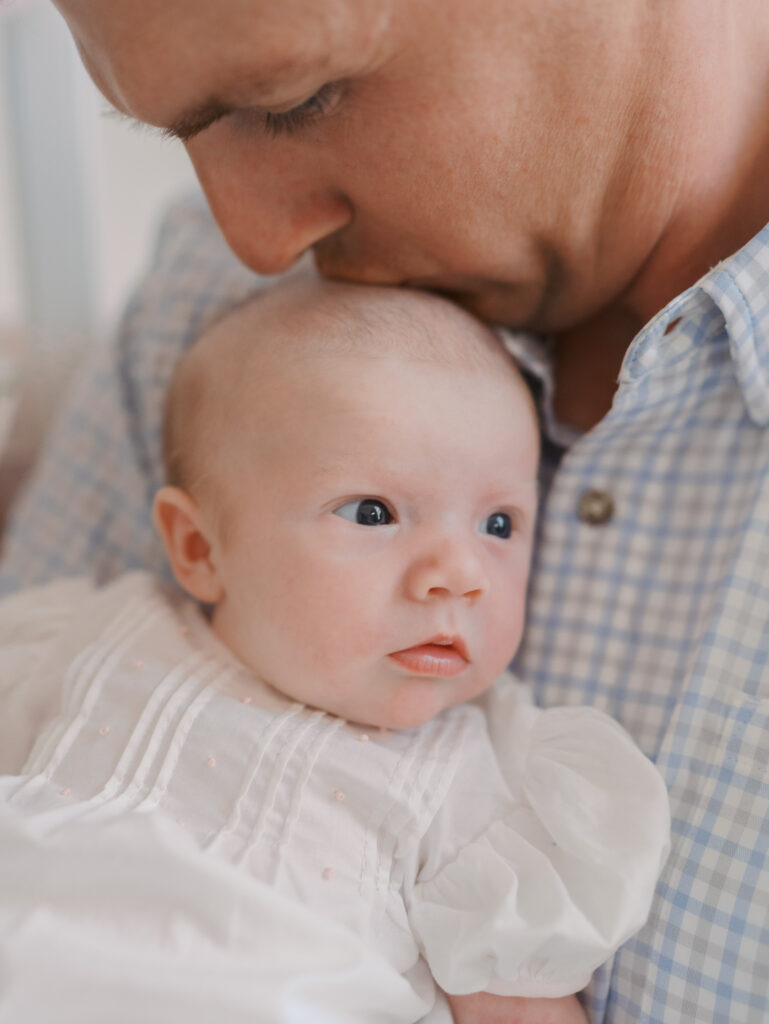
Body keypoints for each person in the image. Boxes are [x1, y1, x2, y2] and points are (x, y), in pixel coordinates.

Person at [1, 1, 768, 1020]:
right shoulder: (219, 318)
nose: (255, 241)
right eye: (182, 135)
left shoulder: (485, 801)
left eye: (293, 100)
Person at [0, 279, 669, 1024]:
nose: (460, 575)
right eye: (373, 513)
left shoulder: (479, 781)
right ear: (199, 548)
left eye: (500, 525)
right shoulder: (88, 631)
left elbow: (516, 1007)